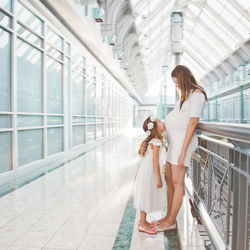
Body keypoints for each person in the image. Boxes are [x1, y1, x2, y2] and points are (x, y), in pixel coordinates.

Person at [157, 65, 207, 231]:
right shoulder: (185, 96)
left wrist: (183, 151)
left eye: (177, 82)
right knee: (169, 180)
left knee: (178, 182)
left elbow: (192, 122)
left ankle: (171, 221)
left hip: (182, 143)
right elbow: (179, 117)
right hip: (175, 142)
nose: (176, 85)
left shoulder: (197, 95)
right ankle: (167, 215)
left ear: (185, 79)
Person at [133, 115, 166, 234]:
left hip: (146, 170)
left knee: (145, 194)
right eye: (160, 122)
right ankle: (142, 224)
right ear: (156, 128)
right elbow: (155, 161)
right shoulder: (156, 141)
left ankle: (143, 221)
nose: (163, 122)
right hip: (150, 172)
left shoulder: (154, 140)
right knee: (146, 195)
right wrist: (159, 179)